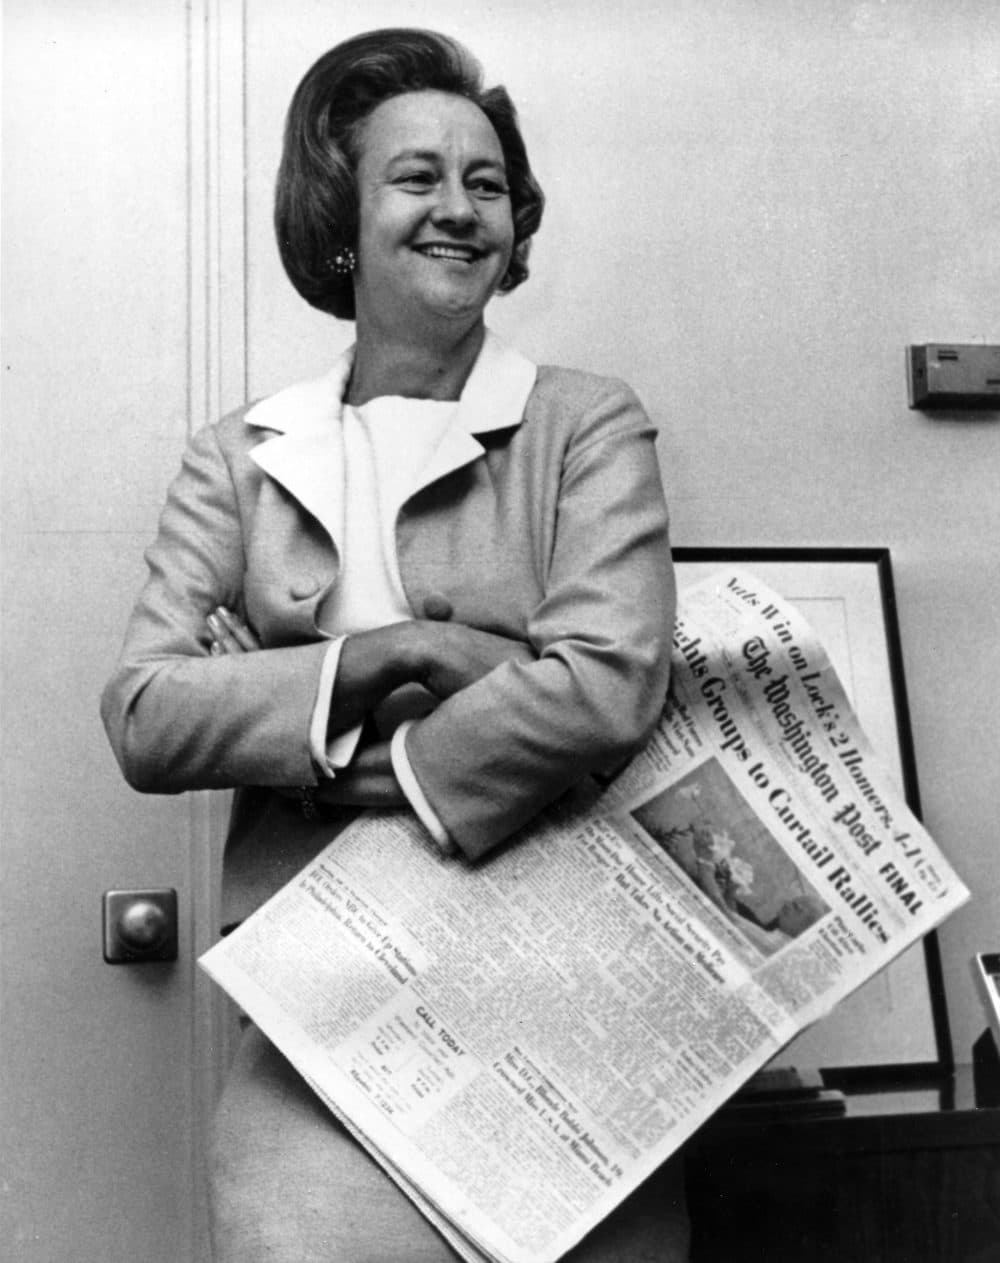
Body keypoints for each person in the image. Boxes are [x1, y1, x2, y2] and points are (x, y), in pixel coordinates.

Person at [101, 27, 686, 1262]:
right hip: (325, 1033)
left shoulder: (586, 425)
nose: (459, 209)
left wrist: (290, 718)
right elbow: (150, 715)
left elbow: (606, 690)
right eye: (416, 178)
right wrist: (393, 657)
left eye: (486, 184)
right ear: (341, 217)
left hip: (567, 1022)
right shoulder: (237, 459)